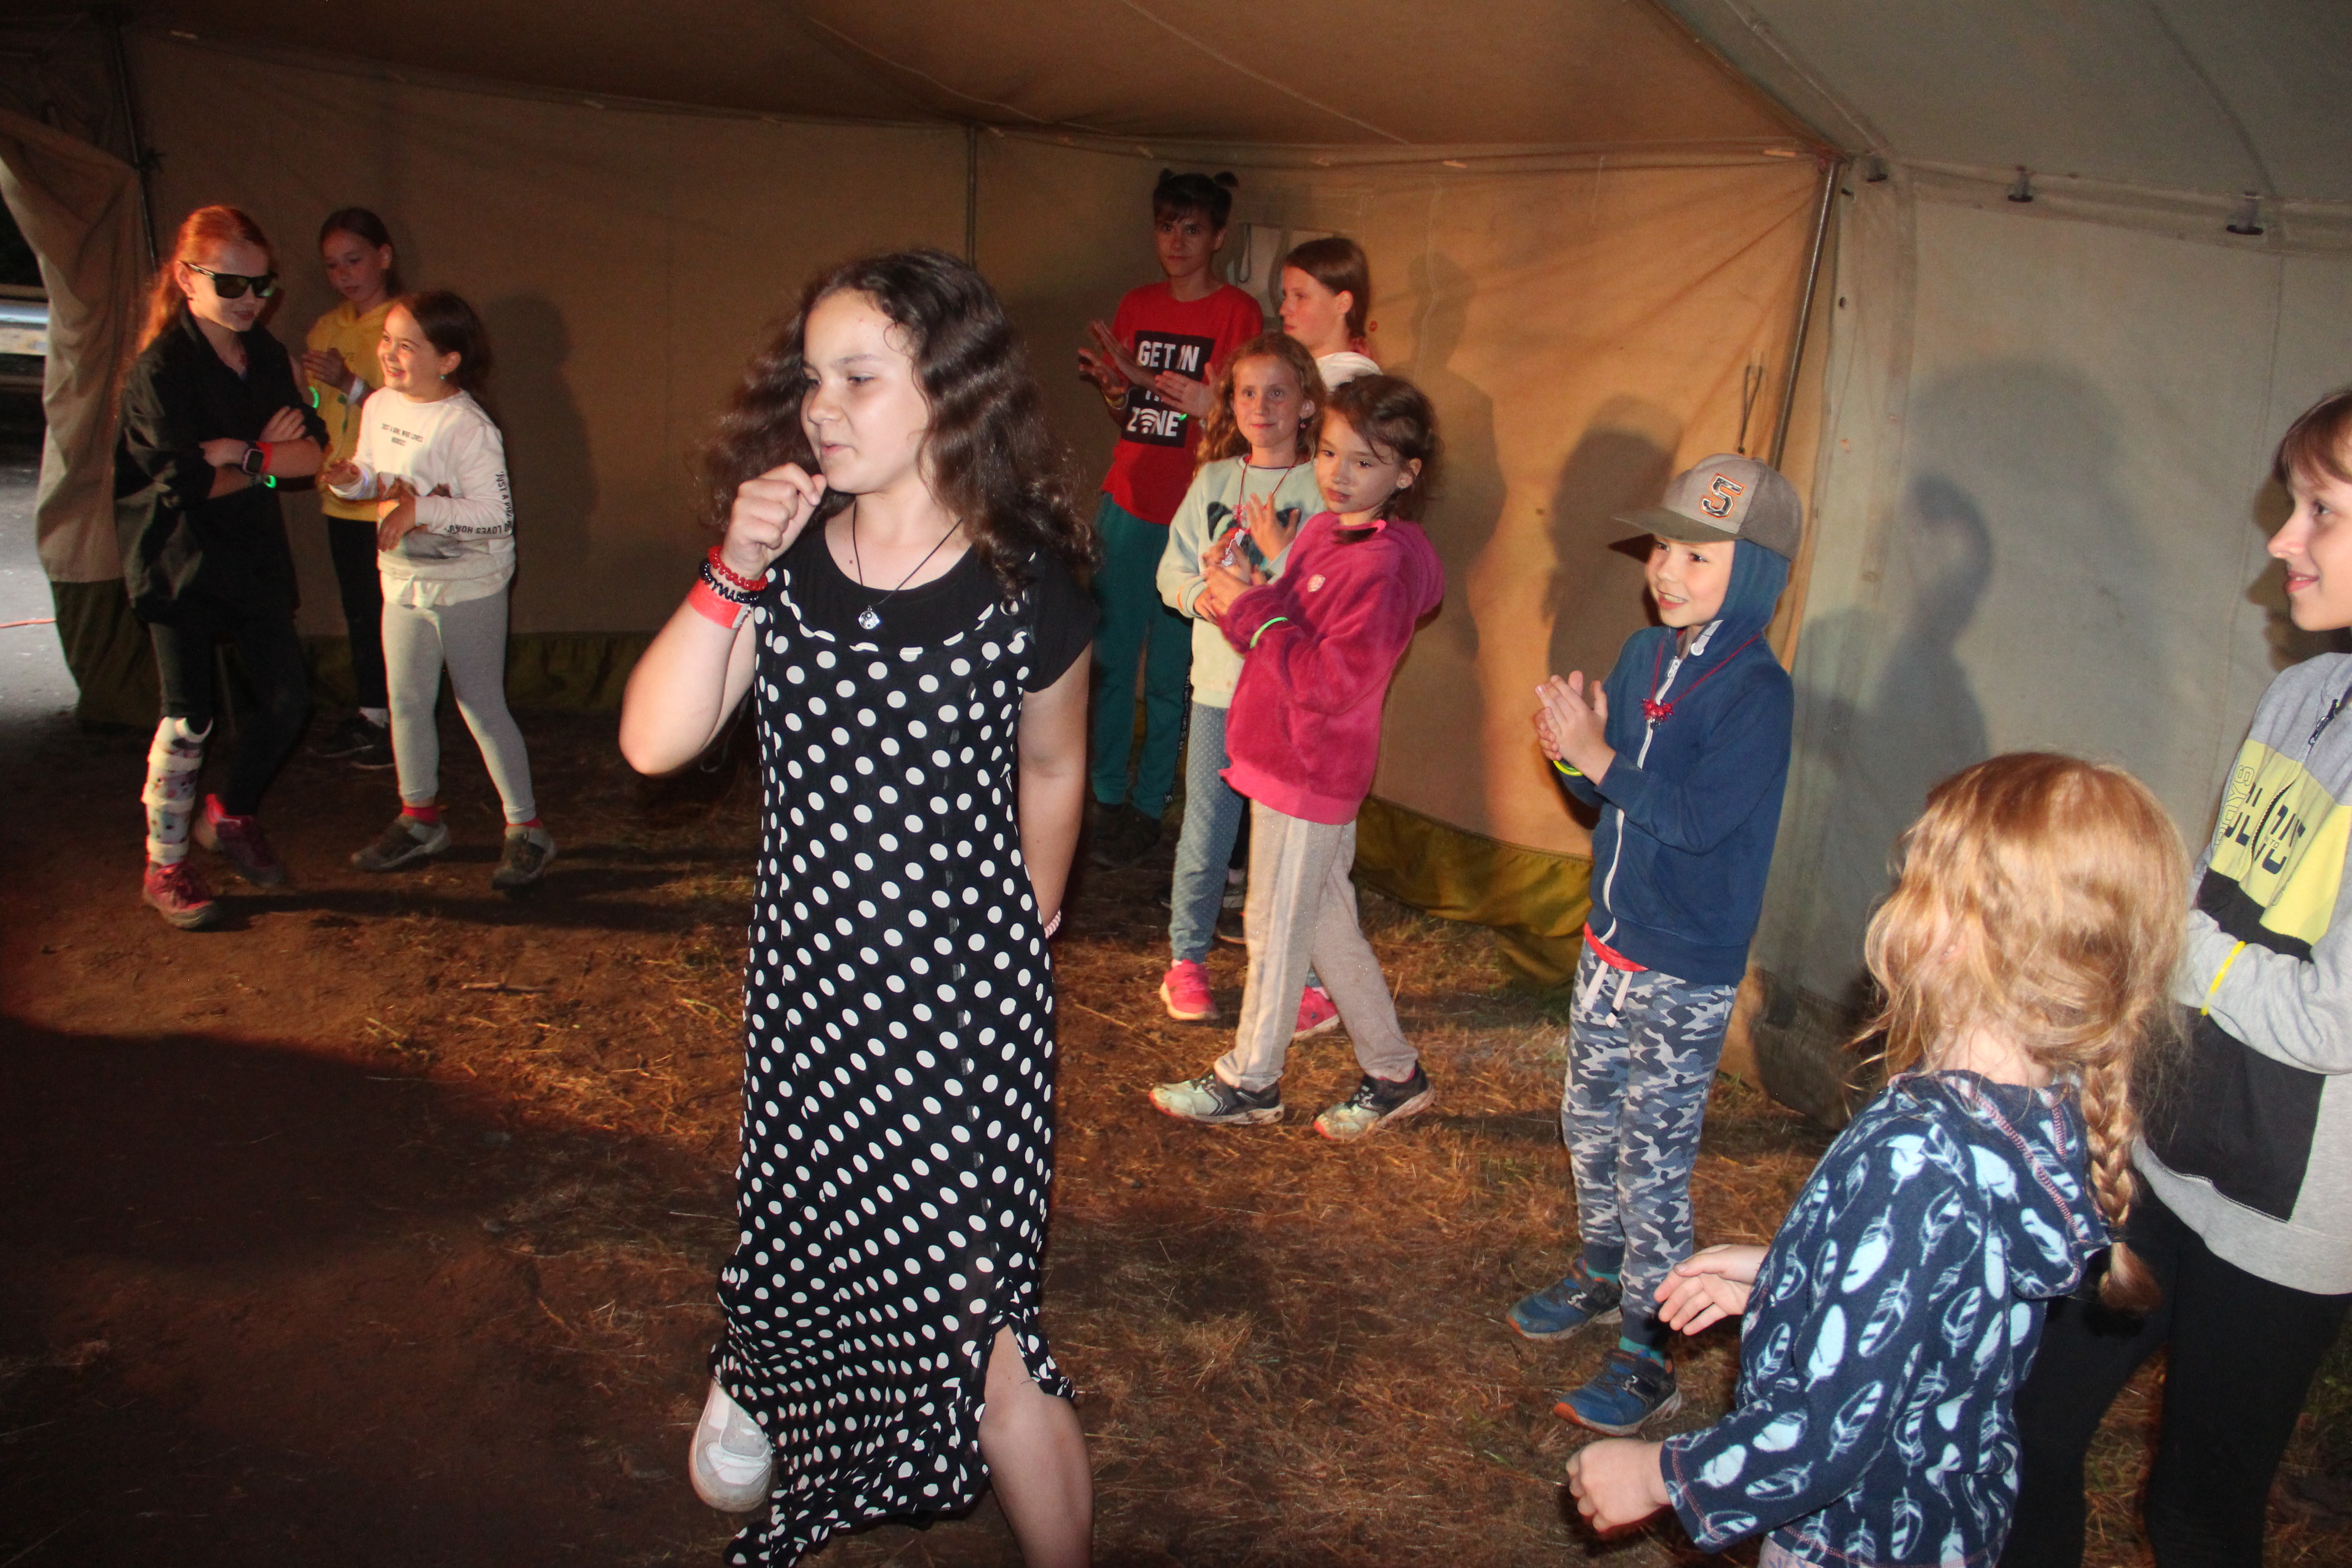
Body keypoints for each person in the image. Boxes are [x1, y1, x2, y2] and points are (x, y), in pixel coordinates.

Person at [618, 250, 1097, 1568]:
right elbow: (654, 742)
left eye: (858, 377)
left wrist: (1029, 923)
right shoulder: (783, 563)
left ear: (952, 389)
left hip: (962, 1023)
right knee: (799, 1214)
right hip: (810, 993)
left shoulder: (1028, 582)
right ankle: (761, 1370)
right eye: (810, 377)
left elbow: (1054, 764)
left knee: (981, 1324)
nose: (819, 407)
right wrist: (732, 565)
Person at [1564, 752, 2184, 1568]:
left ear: (1960, 934)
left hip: (1849, 1538)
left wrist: (1659, 1476)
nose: (1894, 903)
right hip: (1944, 1523)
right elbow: (1933, 1310)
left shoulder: (1920, 1155)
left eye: (1916, 882)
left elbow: (1825, 1433)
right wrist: (1788, 1276)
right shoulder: (2042, 1112)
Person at [2002, 389, 2352, 1567]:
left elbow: (2331, 1017)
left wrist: (2150, 917)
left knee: (2197, 1515)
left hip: (2286, 1223)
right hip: (2170, 1156)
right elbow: (2217, 892)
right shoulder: (2302, 693)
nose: (2282, 539)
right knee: (2029, 1430)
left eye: (2322, 511)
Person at [1509, 455, 1800, 1431]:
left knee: (1650, 1164)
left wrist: (1599, 757)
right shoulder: (1644, 655)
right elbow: (1609, 804)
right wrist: (1573, 756)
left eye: (1697, 557)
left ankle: (1650, 1350)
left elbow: (1695, 820)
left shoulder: (1756, 692)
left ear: (1754, 573)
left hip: (1684, 967)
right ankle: (1603, 1271)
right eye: (1663, 548)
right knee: (1588, 1124)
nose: (1666, 571)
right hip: (1611, 943)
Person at [1149, 374, 1444, 1142]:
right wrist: (1255, 583)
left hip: (1310, 770)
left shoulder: (1382, 572)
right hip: (1278, 756)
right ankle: (1394, 1073)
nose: (1338, 475)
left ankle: (1250, 1081)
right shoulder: (1325, 533)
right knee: (1322, 923)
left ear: (1405, 474)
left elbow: (1329, 681)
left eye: (1364, 463)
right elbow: (1289, 616)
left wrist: (1251, 608)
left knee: (1275, 925)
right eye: (1329, 453)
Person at [117, 205, 328, 929]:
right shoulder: (161, 371)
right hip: (177, 560)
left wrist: (241, 454)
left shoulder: (264, 354)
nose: (250, 300)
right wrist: (264, 458)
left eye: (262, 286)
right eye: (232, 284)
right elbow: (185, 484)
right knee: (189, 719)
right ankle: (165, 863)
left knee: (288, 701)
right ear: (187, 278)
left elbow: (311, 454)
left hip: (251, 554)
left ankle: (230, 815)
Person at [324, 290, 554, 890]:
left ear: (447, 360)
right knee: (405, 702)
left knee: (480, 704)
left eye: (407, 346)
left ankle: (527, 828)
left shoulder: (468, 427)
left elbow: (496, 516)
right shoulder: (379, 404)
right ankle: (419, 818)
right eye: (387, 340)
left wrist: (421, 509)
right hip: (403, 578)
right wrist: (352, 481)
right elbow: (377, 476)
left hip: (468, 585)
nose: (389, 354)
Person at [1074, 169, 1264, 869]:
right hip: (1128, 499)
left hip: (1196, 515)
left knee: (1173, 672)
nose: (1176, 242)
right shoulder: (1138, 303)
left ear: (1218, 237)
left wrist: (1208, 404)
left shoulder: (1237, 313)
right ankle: (1106, 795)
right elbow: (1132, 413)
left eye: (1191, 229)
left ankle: (1150, 804)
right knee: (1110, 657)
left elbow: (1245, 417)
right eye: (1165, 227)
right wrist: (1115, 387)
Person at [1152, 332, 1339, 1036]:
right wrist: (1201, 596)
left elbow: (1327, 586)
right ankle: (1187, 960)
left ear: (1307, 405)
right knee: (1207, 828)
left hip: (1287, 691)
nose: (1262, 406)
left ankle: (1297, 975)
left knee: (1285, 838)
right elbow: (1172, 571)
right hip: (1218, 689)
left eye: (1278, 392)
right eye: (1248, 393)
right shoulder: (1212, 482)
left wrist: (1270, 573)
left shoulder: (1321, 489)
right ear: (1231, 405)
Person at [303, 207, 400, 768]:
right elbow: (320, 409)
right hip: (341, 494)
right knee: (361, 612)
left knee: (398, 617)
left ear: (384, 257)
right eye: (333, 266)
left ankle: (402, 722)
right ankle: (373, 716)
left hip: (392, 497)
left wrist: (351, 383)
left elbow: (416, 413)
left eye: (354, 260)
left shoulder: (405, 325)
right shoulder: (327, 327)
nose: (345, 275)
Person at [1277, 236, 1379, 389]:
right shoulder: (1301, 372)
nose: (1283, 310)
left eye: (1301, 297)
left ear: (1343, 303)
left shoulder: (1349, 386)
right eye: (1286, 296)